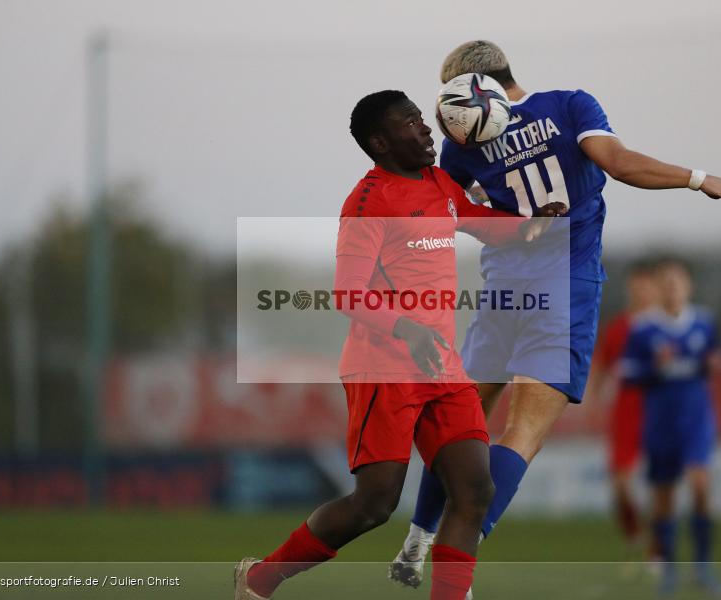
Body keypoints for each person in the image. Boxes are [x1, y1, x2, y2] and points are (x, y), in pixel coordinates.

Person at [389, 40, 721, 590]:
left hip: (504, 286)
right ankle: (463, 542)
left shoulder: (461, 150)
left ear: (468, 89)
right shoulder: (570, 106)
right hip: (566, 286)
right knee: (521, 432)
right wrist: (699, 178)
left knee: (462, 423)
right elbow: (619, 165)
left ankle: (416, 542)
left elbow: (442, 217)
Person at [235, 90, 557, 600]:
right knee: (374, 506)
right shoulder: (367, 202)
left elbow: (476, 219)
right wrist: (406, 327)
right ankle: (259, 579)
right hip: (384, 368)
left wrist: (531, 226)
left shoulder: (438, 183)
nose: (427, 128)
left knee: (474, 490)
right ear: (381, 142)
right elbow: (346, 293)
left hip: (443, 369)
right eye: (411, 122)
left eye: (421, 118)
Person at [622, 258, 721, 597]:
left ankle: (703, 567)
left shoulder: (704, 323)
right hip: (661, 424)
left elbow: (716, 359)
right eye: (666, 283)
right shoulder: (643, 330)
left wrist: (712, 364)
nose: (672, 289)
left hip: (696, 421)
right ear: (658, 289)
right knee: (664, 501)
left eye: (677, 283)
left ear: (688, 287)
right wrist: (655, 368)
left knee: (699, 486)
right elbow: (629, 375)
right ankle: (668, 571)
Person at [587, 259, 660, 561]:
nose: (640, 292)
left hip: (659, 408)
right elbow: (602, 367)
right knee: (620, 485)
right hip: (626, 410)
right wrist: (592, 400)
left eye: (646, 287)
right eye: (635, 286)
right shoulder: (618, 329)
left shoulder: (665, 326)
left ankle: (658, 548)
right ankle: (633, 533)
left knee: (658, 482)